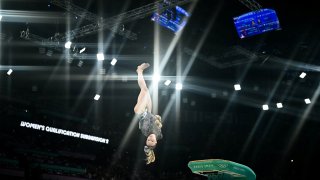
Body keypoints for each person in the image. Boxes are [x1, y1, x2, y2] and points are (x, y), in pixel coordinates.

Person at [134, 63, 163, 165]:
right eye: (151, 141)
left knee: (145, 90)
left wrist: (152, 117)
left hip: (141, 111)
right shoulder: (159, 135)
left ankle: (140, 70)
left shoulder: (145, 131)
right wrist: (157, 119)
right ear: (156, 142)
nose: (150, 139)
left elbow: (145, 118)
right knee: (145, 89)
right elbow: (157, 124)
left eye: (148, 140)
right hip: (149, 111)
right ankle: (139, 71)